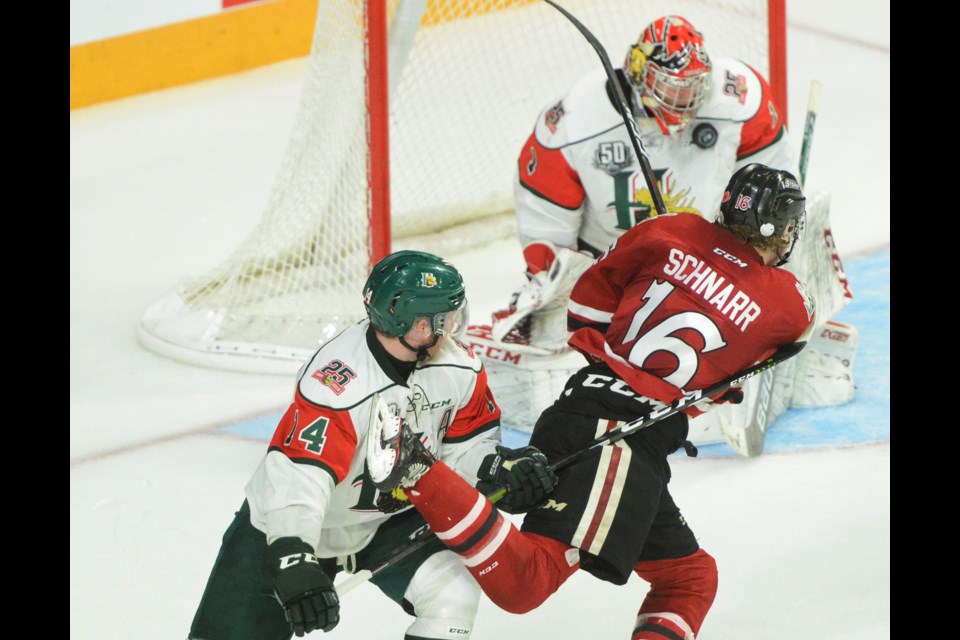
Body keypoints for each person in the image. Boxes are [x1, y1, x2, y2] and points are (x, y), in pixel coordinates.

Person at [371, 164, 816, 639]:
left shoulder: (665, 231)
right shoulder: (788, 304)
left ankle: (421, 472)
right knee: (527, 584)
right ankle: (418, 468)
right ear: (782, 228)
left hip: (588, 408)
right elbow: (764, 350)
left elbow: (584, 313)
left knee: (688, 576)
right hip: (620, 439)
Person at [466, 14, 852, 448]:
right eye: (672, 89)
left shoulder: (738, 96)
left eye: (694, 89)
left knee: (771, 319)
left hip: (713, 261)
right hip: (612, 261)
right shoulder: (572, 121)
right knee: (556, 351)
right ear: (639, 74)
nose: (685, 101)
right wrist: (553, 285)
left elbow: (769, 195)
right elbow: (545, 228)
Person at [188, 250, 557, 640]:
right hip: (292, 525)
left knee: (452, 596)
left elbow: (466, 444)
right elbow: (300, 476)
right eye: (445, 318)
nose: (454, 326)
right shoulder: (340, 386)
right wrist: (292, 555)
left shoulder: (459, 366)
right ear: (416, 326)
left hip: (389, 519)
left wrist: (495, 467)